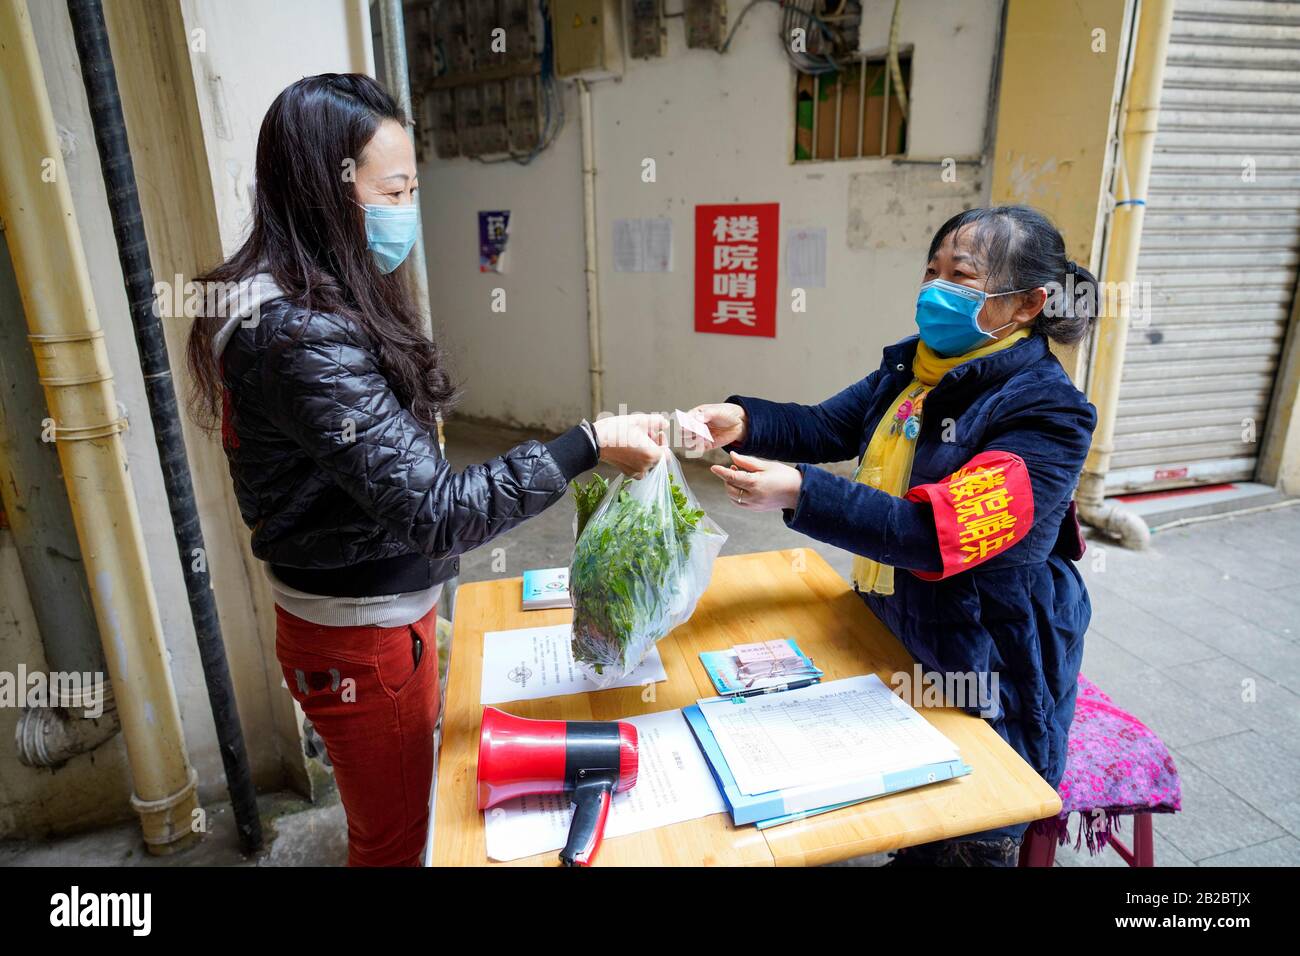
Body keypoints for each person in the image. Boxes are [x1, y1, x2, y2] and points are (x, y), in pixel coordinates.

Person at [185, 74, 665, 866]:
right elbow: (439, 510)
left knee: (416, 812)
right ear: (323, 192)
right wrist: (586, 443)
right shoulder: (298, 334)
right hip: (359, 640)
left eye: (413, 184)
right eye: (395, 188)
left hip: (377, 615)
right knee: (398, 840)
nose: (408, 205)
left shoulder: (314, 295)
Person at [690, 205, 1099, 866]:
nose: (934, 291)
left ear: (1028, 304)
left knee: (958, 830)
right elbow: (825, 427)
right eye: (932, 271)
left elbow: (934, 535)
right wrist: (739, 419)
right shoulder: (917, 370)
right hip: (898, 623)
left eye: (960, 277)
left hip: (986, 657)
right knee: (896, 810)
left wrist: (799, 491)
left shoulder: (1048, 413)